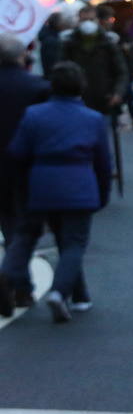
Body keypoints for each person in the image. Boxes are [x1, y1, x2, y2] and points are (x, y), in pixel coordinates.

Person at [2, 62, 111, 323]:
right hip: (79, 182)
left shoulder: (34, 114)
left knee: (27, 234)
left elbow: (17, 152)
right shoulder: (93, 119)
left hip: (41, 182)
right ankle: (60, 293)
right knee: (73, 242)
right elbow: (104, 163)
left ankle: (8, 274)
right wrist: (102, 194)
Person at [0, 33, 52, 316]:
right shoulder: (36, 87)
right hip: (30, 165)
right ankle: (16, 280)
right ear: (22, 56)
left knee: (9, 224)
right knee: (29, 227)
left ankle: (19, 284)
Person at [61, 5, 127, 123]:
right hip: (78, 102)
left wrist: (117, 93)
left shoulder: (108, 43)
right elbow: (61, 70)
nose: (87, 24)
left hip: (104, 100)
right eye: (84, 20)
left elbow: (121, 72)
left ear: (97, 20)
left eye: (91, 20)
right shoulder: (69, 43)